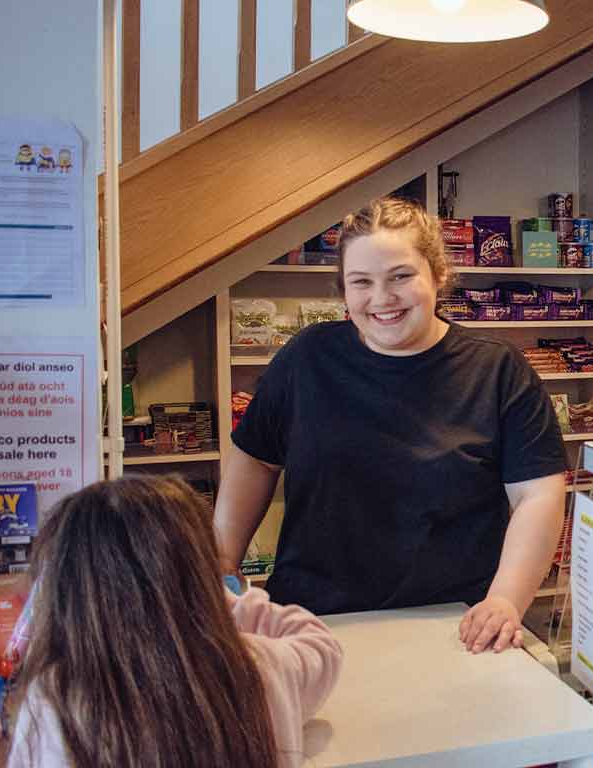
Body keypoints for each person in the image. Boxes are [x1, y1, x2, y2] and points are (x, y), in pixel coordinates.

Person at [214, 197, 566, 654]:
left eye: (400, 276)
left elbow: (537, 495)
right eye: (361, 282)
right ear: (343, 290)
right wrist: (224, 556)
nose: (382, 299)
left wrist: (505, 599)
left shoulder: (498, 370)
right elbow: (256, 458)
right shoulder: (307, 357)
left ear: (438, 274)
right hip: (313, 623)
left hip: (454, 626)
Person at [7, 476, 342, 768]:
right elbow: (320, 644)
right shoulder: (260, 667)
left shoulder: (55, 697)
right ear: (202, 573)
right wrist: (217, 598)